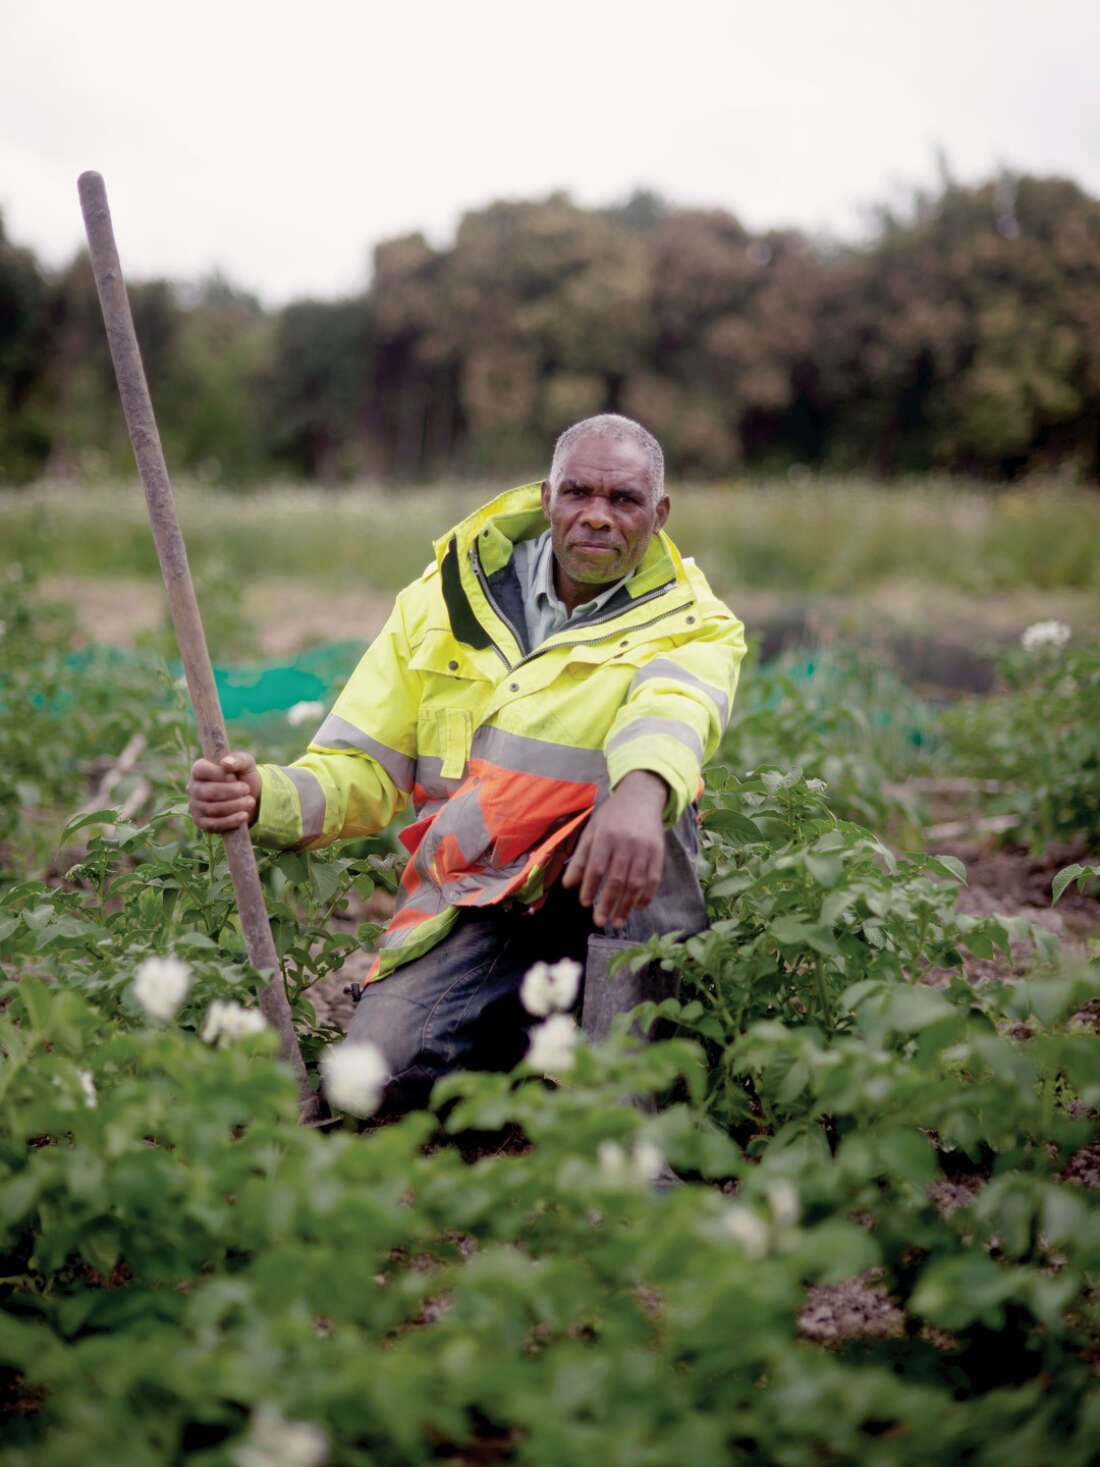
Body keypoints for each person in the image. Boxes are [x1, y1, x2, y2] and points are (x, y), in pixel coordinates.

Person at [189, 414, 745, 1114]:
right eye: (579, 492)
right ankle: (537, 1047)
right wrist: (260, 795)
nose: (598, 516)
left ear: (658, 514)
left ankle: (633, 1117)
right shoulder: (442, 602)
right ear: (548, 498)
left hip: (601, 894)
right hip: (472, 903)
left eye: (624, 500)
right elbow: (359, 768)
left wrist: (641, 791)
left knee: (655, 807)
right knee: (364, 1084)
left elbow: (671, 707)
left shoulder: (693, 617)